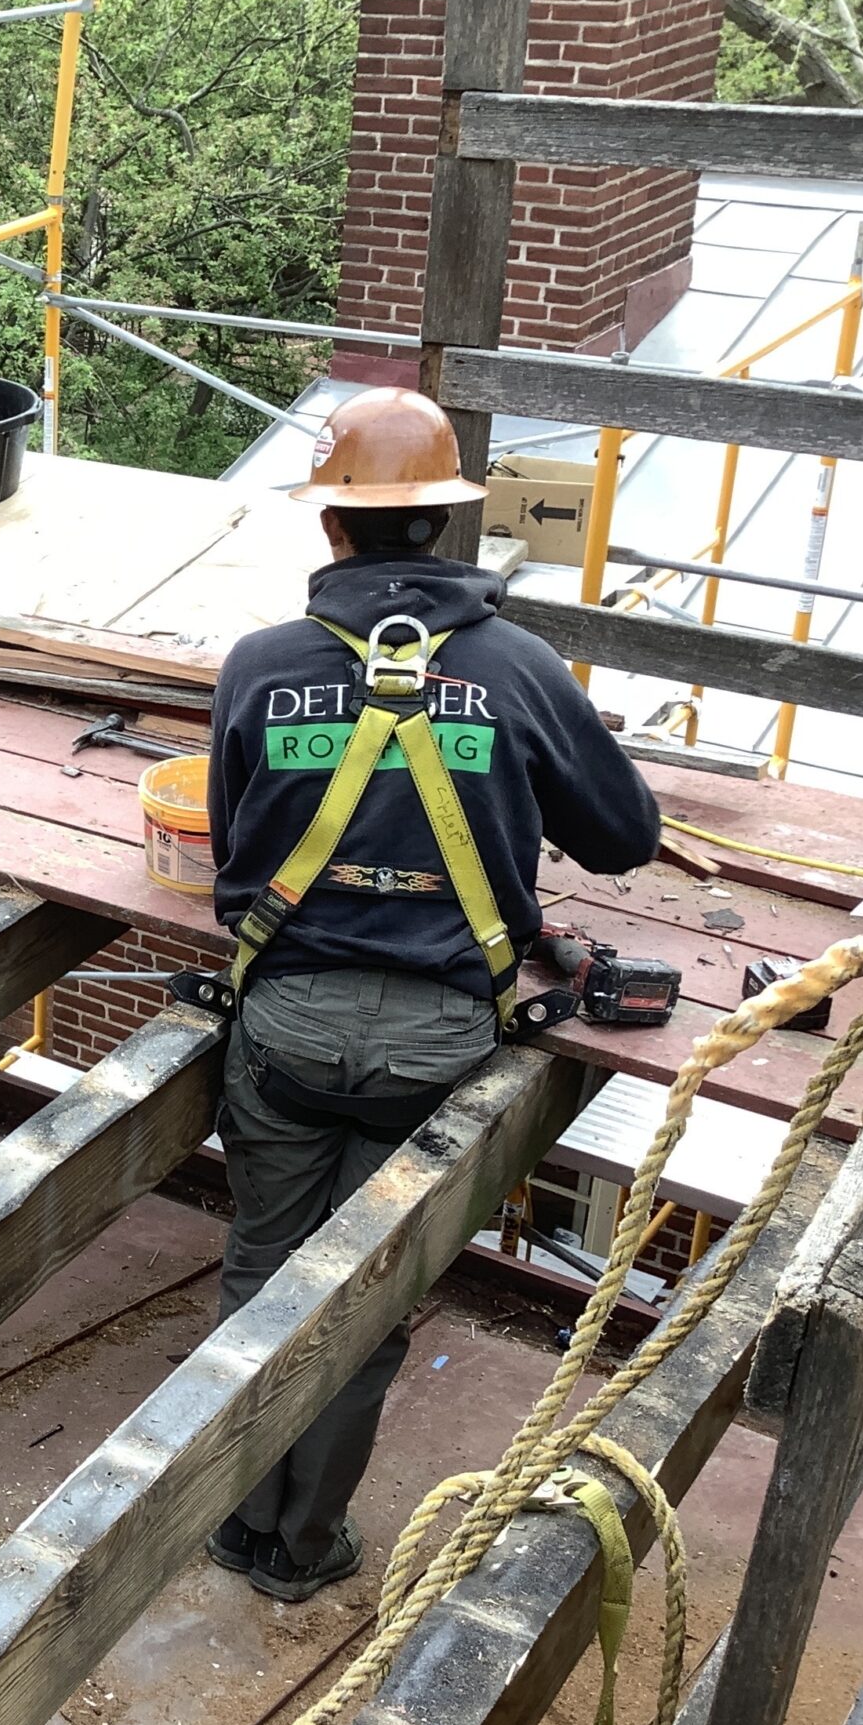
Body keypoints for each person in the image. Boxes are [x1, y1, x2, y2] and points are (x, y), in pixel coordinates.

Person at [201, 386, 660, 1600]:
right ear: (446, 520)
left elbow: (234, 862)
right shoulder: (517, 668)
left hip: (286, 1025)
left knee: (262, 1274)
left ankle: (235, 1520)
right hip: (438, 1041)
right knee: (361, 1303)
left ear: (331, 524)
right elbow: (624, 836)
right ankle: (303, 1549)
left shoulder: (261, 666)